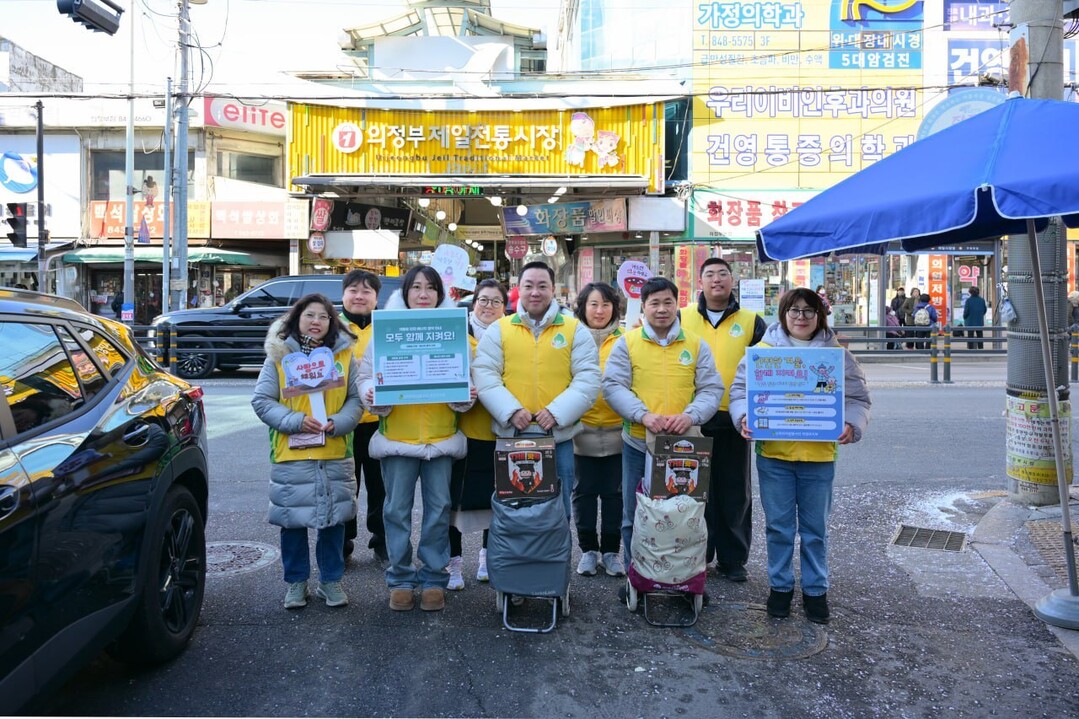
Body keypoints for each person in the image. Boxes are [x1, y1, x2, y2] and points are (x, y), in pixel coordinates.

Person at [728, 287, 871, 625]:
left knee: (815, 529)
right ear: (783, 315)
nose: (801, 317)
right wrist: (744, 416)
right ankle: (780, 588)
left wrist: (851, 425)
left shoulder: (836, 355)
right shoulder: (762, 352)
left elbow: (858, 399)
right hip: (774, 456)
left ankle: (815, 590)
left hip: (819, 457)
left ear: (819, 315)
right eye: (794, 311)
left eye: (809, 311)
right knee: (778, 527)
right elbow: (739, 392)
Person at [358, 265, 475, 613]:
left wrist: (465, 394)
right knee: (395, 511)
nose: (423, 294)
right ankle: (400, 579)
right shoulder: (385, 329)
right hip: (398, 437)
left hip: (440, 438)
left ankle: (435, 579)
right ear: (405, 292)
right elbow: (365, 376)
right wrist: (370, 393)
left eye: (430, 288)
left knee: (438, 510)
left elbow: (466, 376)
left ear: (440, 293)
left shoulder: (453, 329)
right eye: (416, 287)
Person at [250, 293, 362, 610]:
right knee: (292, 522)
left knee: (333, 521)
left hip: (334, 451)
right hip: (291, 452)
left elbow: (355, 399)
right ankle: (296, 583)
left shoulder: (344, 357)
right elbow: (262, 401)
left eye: (323, 317)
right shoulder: (278, 356)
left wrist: (337, 422)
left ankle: (330, 581)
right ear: (297, 318)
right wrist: (295, 421)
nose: (316, 322)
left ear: (332, 322)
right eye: (310, 315)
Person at [603, 277, 723, 568]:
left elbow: (711, 388)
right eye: (654, 303)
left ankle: (684, 576)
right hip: (638, 442)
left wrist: (690, 416)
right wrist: (642, 415)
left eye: (668, 302)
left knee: (687, 514)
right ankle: (637, 574)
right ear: (643, 307)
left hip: (686, 445)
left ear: (677, 304)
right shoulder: (627, 343)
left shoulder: (695, 344)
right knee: (636, 512)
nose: (661, 309)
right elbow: (613, 386)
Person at [473, 260, 600, 525]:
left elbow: (588, 378)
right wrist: (511, 411)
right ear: (518, 289)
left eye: (542, 286)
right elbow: (485, 375)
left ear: (553, 289)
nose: (535, 292)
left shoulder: (574, 329)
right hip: (512, 433)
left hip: (558, 436)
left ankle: (555, 562)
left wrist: (556, 412)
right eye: (528, 286)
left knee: (557, 507)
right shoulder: (500, 329)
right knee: (512, 506)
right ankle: (517, 564)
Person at [679, 257, 766, 582]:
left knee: (734, 491)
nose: (717, 280)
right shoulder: (681, 316)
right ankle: (695, 555)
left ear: (733, 280)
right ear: (700, 282)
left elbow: (766, 368)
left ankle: (732, 559)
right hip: (690, 418)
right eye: (710, 274)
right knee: (691, 489)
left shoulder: (751, 321)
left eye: (723, 274)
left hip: (734, 418)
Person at [446, 279, 507, 590]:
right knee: (454, 500)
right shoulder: (457, 334)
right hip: (461, 431)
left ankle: (487, 556)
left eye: (496, 301)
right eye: (483, 300)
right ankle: (453, 562)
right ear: (473, 303)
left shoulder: (510, 337)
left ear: (505, 308)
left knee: (495, 499)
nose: (488, 307)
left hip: (499, 432)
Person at [571, 281, 626, 577]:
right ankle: (588, 550)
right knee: (584, 492)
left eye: (606, 304)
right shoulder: (570, 337)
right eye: (593, 304)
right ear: (583, 307)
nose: (600, 310)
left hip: (619, 431)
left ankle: (612, 552)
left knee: (615, 493)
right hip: (582, 430)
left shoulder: (627, 339)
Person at [339, 270, 388, 564]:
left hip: (380, 421)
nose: (360, 296)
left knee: (381, 485)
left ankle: (382, 538)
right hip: (343, 422)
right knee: (345, 485)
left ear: (376, 298)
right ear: (343, 294)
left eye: (367, 291)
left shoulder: (386, 327)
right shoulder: (330, 327)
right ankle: (343, 542)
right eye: (354, 290)